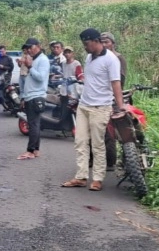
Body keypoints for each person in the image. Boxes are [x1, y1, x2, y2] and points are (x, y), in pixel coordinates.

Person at [62, 28, 125, 191]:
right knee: (80, 142)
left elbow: (116, 83)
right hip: (84, 105)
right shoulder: (89, 57)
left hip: (100, 107)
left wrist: (120, 106)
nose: (84, 47)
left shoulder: (111, 60)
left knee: (97, 144)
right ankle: (81, 177)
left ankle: (97, 178)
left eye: (86, 43)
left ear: (96, 41)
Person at [17, 37, 49, 160]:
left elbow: (41, 77)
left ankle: (30, 151)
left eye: (31, 47)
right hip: (31, 96)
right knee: (34, 124)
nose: (29, 50)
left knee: (33, 124)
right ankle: (36, 150)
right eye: (28, 48)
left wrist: (30, 67)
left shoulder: (43, 60)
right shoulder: (35, 59)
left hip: (36, 96)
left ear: (38, 46)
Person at [100, 32, 127, 171]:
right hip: (100, 97)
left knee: (112, 131)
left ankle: (112, 161)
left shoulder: (118, 58)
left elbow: (119, 81)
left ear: (113, 43)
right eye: (102, 42)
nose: (104, 45)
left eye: (107, 42)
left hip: (113, 98)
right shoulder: (99, 58)